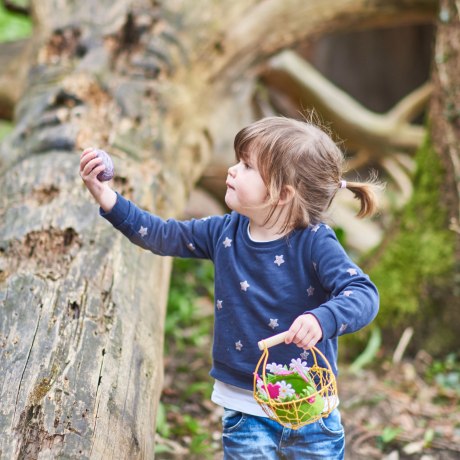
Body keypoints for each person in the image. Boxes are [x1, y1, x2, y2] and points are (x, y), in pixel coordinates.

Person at [80, 116, 379, 459]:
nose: (233, 170)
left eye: (247, 166)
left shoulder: (314, 243)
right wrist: (107, 197)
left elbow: (363, 293)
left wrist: (323, 319)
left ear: (283, 193)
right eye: (238, 160)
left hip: (312, 408)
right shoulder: (224, 232)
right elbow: (162, 234)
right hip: (246, 407)